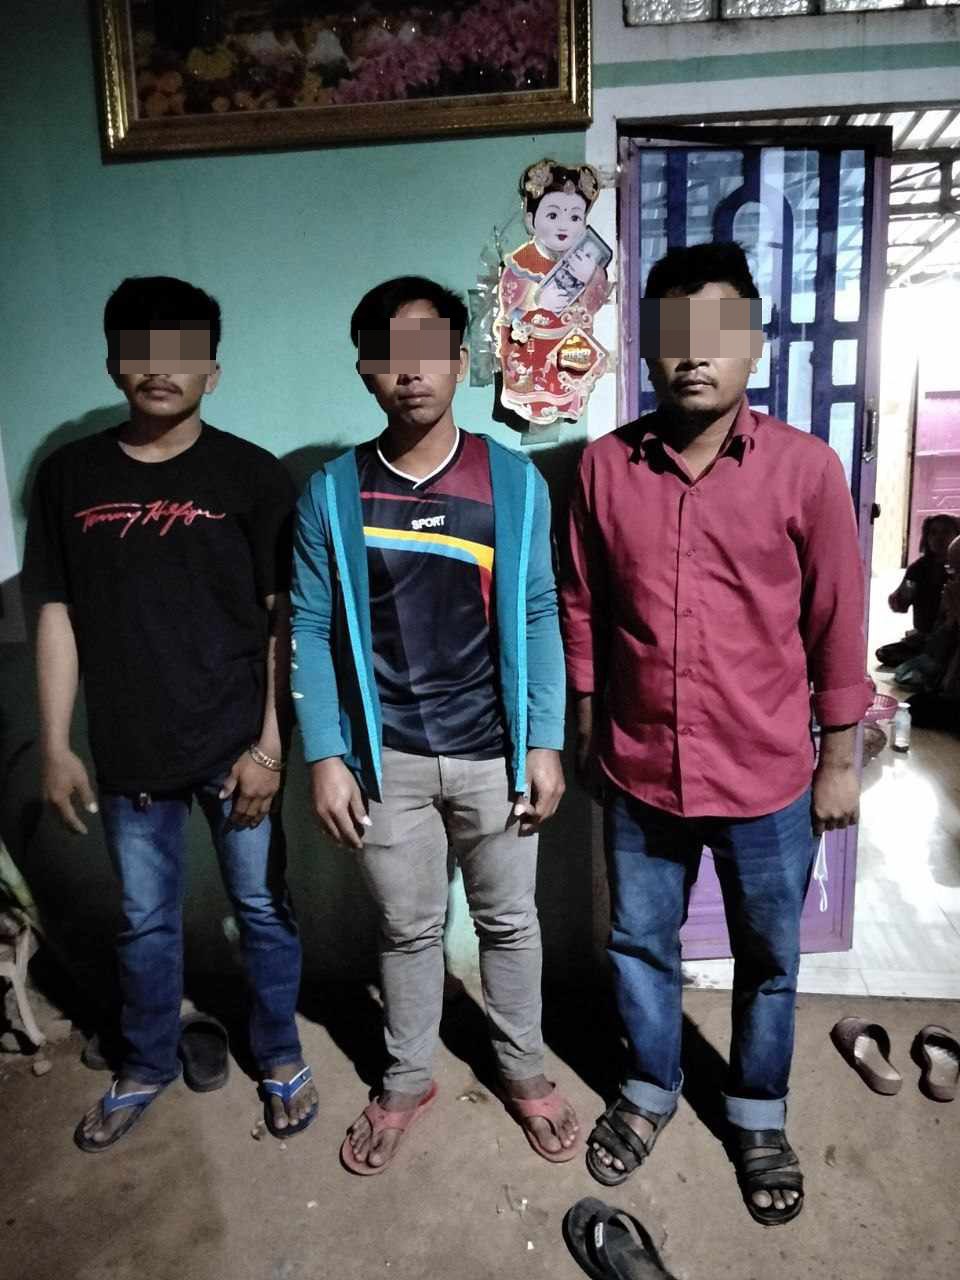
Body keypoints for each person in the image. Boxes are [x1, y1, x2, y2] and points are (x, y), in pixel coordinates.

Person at [561, 242, 873, 1225]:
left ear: (754, 344)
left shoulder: (807, 470)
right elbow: (580, 604)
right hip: (637, 767)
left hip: (768, 775)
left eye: (719, 332)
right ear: (647, 346)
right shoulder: (604, 469)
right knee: (638, 943)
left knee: (769, 958)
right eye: (675, 333)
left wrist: (839, 760)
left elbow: (838, 621)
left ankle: (757, 1111)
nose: (696, 353)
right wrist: (585, 724)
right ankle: (649, 1084)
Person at [290, 275, 579, 1174]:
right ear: (364, 370)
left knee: (510, 924)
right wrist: (326, 754)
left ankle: (522, 1069)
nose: (409, 371)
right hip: (389, 762)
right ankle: (407, 1077)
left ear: (459, 362)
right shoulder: (332, 493)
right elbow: (308, 624)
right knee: (408, 931)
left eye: (427, 351)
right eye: (387, 354)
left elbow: (540, 608)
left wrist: (544, 741)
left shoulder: (512, 481)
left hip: (496, 755)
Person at [24, 276, 316, 1151]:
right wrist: (55, 746)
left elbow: (285, 621)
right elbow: (54, 613)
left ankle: (280, 1051)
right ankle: (147, 1060)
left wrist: (272, 747)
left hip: (237, 747)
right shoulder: (68, 476)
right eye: (140, 348)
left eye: (181, 350)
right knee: (144, 921)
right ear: (114, 363)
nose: (159, 366)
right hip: (129, 751)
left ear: (212, 371)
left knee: (261, 908)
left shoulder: (252, 475)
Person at [495, 158, 610, 427]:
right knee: (535, 384)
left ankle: (568, 401)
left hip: (569, 341)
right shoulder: (520, 265)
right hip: (533, 344)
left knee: (570, 381)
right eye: (553, 215)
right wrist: (534, 303)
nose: (564, 225)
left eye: (575, 217)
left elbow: (594, 304)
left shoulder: (585, 260)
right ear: (530, 220)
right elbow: (508, 313)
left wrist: (592, 278)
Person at [875, 513, 959, 668]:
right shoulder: (918, 569)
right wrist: (897, 600)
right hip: (925, 636)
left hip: (952, 636)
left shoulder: (956, 569)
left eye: (946, 532)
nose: (939, 538)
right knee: (884, 653)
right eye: (933, 533)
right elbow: (902, 603)